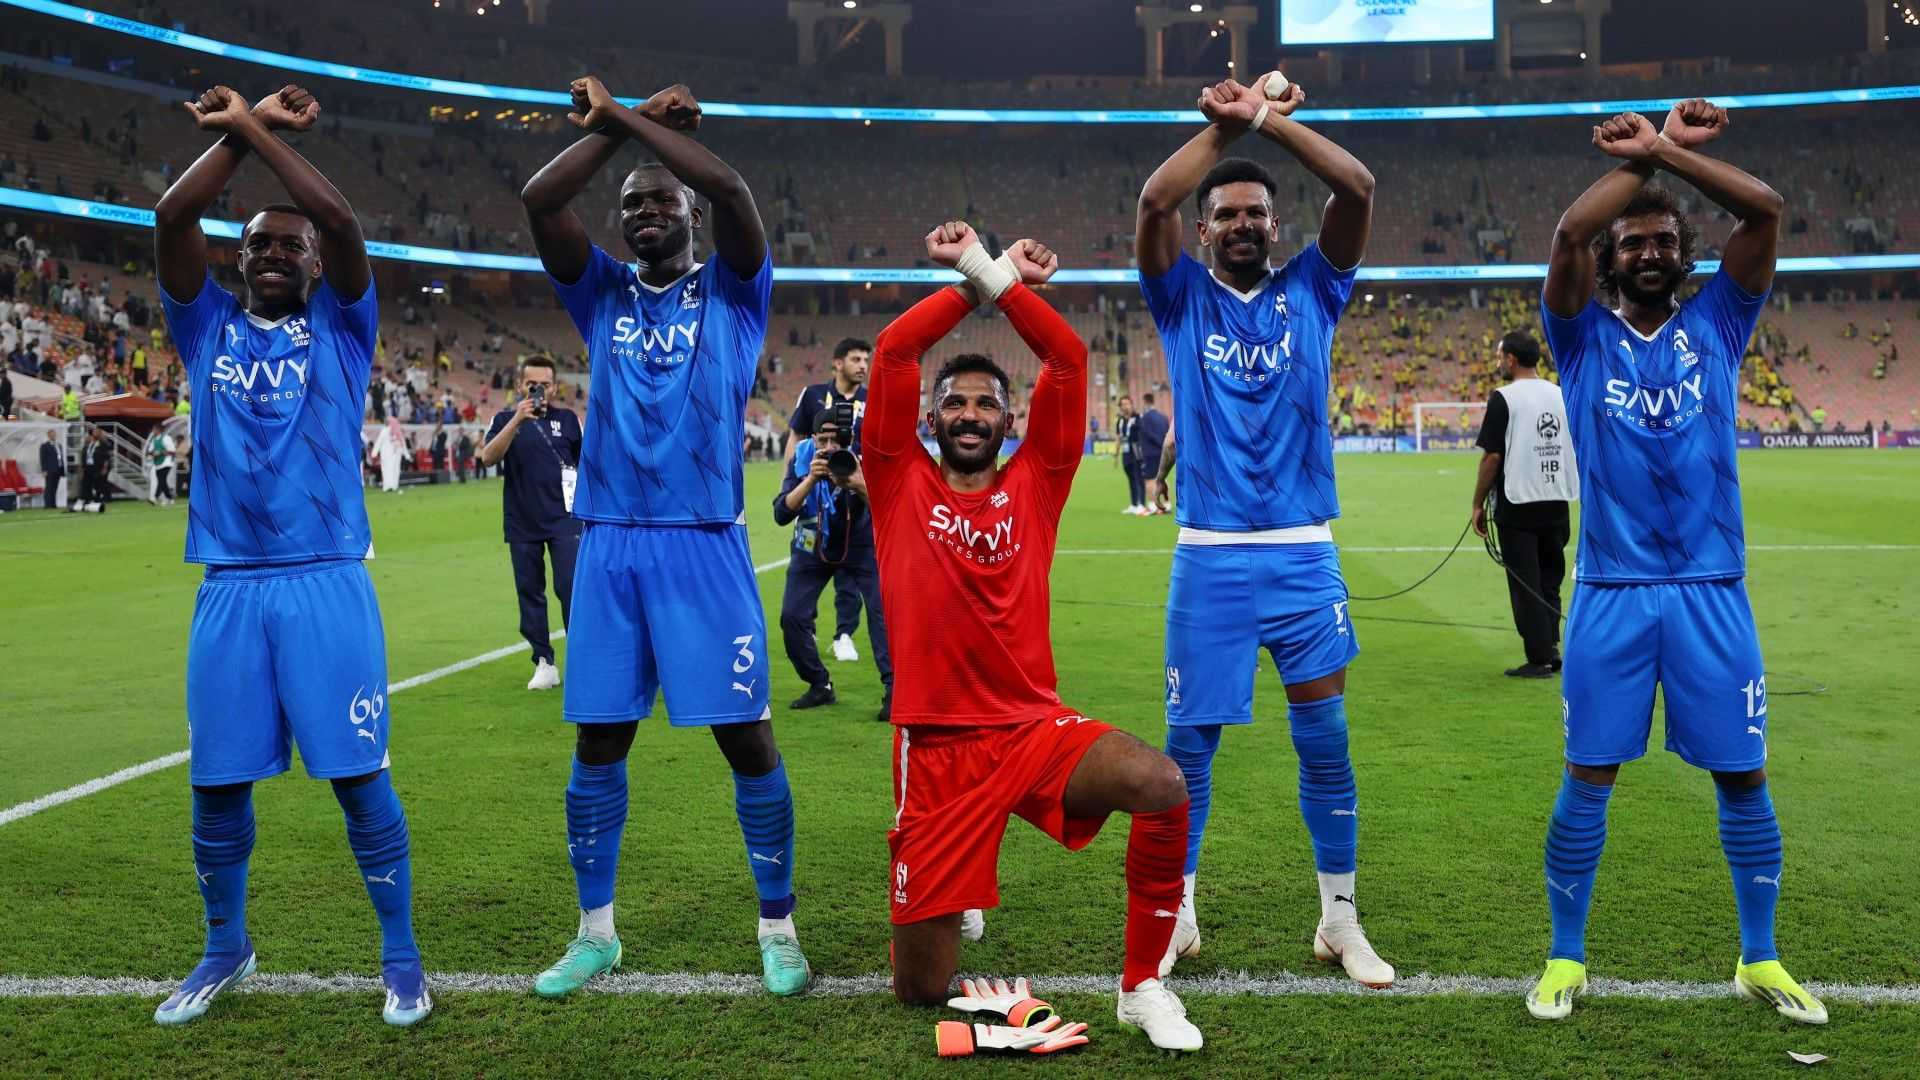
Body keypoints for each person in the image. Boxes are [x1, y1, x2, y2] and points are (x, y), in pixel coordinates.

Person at [871, 223, 1202, 1053]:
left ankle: (1142, 986)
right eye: (956, 402)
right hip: (937, 751)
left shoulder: (1038, 480)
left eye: (987, 403)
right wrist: (975, 278)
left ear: (1009, 419)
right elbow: (893, 350)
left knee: (1160, 782)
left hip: (1029, 728)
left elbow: (1066, 358)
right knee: (920, 989)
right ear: (932, 417)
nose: (971, 414)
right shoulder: (896, 477)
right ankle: (953, 887)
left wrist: (1006, 282)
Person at [1525, 99, 1821, 1025]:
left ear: (1686, 254)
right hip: (1611, 592)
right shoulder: (1578, 337)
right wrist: (1652, 156)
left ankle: (1760, 958)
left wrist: (1664, 153)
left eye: (1663, 241)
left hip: (1711, 591)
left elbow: (1765, 210)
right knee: (1588, 777)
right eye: (1633, 243)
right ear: (1611, 261)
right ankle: (1564, 957)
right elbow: (1570, 231)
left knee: (1743, 775)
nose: (1648, 252)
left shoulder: (1721, 323)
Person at [519, 76, 809, 998]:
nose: (646, 214)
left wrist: (630, 119)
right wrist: (621, 124)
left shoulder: (734, 290)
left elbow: (733, 190)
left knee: (748, 741)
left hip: (704, 542)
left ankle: (778, 929)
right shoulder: (601, 293)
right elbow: (541, 200)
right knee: (599, 743)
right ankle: (595, 933)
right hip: (609, 543)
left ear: (689, 216)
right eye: (632, 206)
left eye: (661, 202)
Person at [149, 83, 428, 1026]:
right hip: (229, 586)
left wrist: (252, 128)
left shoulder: (344, 328)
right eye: (257, 244)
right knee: (217, 784)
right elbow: (172, 216)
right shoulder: (205, 327)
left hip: (326, 582)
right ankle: (224, 947)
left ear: (315, 265)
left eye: (289, 246)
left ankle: (402, 959)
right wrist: (243, 131)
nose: (273, 253)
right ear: (237, 261)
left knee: (358, 779)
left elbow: (341, 219)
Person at [1135, 72, 1392, 989]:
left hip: (1301, 553)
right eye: (1226, 216)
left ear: (1277, 226)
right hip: (1207, 558)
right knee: (1189, 753)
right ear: (1203, 233)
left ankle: (1339, 920)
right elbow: (1154, 199)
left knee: (1326, 741)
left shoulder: (1315, 290)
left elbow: (1357, 187)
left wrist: (1271, 122)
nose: (1242, 225)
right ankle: (1178, 917)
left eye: (1256, 214)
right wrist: (1228, 126)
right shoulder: (1179, 298)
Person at [1470, 330, 1576, 678]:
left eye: (1500, 356)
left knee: (1525, 583)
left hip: (1518, 502)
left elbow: (1492, 457)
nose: (1498, 362)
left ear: (1511, 359)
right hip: (1557, 499)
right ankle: (1551, 648)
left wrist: (1477, 503)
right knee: (1549, 579)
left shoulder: (1504, 398)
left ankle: (1539, 657)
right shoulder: (1560, 393)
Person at [771, 413, 892, 720]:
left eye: (835, 440)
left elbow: (889, 512)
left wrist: (858, 483)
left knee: (883, 614)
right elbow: (781, 514)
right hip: (812, 544)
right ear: (812, 439)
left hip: (860, 545)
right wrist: (811, 479)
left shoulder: (861, 460)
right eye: (821, 439)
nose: (827, 447)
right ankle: (819, 683)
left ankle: (894, 691)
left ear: (847, 441)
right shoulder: (802, 460)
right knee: (792, 616)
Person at [477, 357, 583, 692]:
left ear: (555, 387)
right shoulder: (504, 419)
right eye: (531, 384)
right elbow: (487, 457)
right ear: (520, 386)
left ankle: (583, 658)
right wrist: (518, 419)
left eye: (545, 384)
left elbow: (587, 465)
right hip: (522, 519)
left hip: (565, 519)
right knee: (530, 592)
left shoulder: (569, 420)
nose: (538, 390)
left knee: (570, 587)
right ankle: (544, 661)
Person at [784, 336, 873, 664]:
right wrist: (791, 487)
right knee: (810, 560)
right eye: (856, 359)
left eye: (865, 360)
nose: (863, 366)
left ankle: (843, 634)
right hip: (817, 491)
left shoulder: (872, 399)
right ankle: (807, 628)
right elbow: (796, 437)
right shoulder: (812, 394)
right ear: (837, 362)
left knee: (851, 564)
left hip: (854, 494)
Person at [1132, 392, 1170, 514]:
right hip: (1163, 452)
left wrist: (1157, 443)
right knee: (1162, 478)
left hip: (1150, 453)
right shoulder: (1163, 417)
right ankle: (1166, 504)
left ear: (1145, 402)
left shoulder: (1145, 418)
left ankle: (1154, 506)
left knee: (1149, 479)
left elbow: (1148, 434)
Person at [1114, 394, 1146, 514]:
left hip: (1137, 452)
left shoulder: (1138, 418)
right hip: (1126, 453)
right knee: (1131, 479)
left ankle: (1141, 504)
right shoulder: (1120, 421)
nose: (1125, 406)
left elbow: (1143, 434)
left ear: (1132, 405)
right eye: (1123, 404)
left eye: (1127, 403)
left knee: (1139, 478)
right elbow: (1118, 437)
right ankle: (1133, 504)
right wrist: (1116, 455)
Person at [73, 425, 110, 512]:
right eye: (93, 432)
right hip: (88, 468)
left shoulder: (103, 444)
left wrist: (105, 467)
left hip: (97, 468)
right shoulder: (87, 446)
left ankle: (97, 501)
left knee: (98, 485)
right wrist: (82, 468)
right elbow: (83, 457)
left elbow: (107, 457)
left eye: (96, 432)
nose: (94, 434)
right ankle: (86, 501)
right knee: (86, 485)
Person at [372, 414, 406, 492]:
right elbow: (402, 443)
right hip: (390, 454)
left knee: (388, 470)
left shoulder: (386, 431)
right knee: (393, 470)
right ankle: (393, 486)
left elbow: (379, 442)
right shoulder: (394, 431)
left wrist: (374, 453)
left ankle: (388, 486)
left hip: (388, 454)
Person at [147, 424, 178, 506]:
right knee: (161, 481)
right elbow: (150, 451)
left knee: (162, 480)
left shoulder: (166, 438)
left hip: (167, 462)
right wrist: (153, 454)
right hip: (158, 463)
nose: (153, 431)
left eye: (154, 429)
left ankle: (155, 497)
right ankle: (169, 498)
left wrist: (160, 452)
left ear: (158, 430)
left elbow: (172, 451)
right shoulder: (154, 440)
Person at [38, 426, 62, 509]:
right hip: (49, 470)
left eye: (54, 434)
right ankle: (47, 504)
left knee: (55, 488)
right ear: (48, 435)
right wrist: (44, 470)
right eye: (52, 434)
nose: (53, 436)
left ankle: (53, 504)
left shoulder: (59, 445)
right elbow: (42, 459)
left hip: (58, 469)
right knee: (49, 488)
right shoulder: (45, 446)